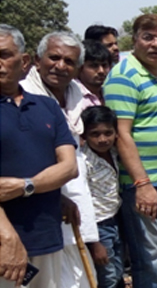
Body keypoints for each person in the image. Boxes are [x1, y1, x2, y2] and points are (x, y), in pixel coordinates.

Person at [102, 14, 157, 288]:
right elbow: (121, 134)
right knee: (148, 259)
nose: (156, 44)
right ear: (135, 39)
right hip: (144, 185)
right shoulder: (125, 76)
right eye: (148, 37)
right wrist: (142, 183)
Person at [0, 23, 80, 288]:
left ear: (24, 61)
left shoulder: (46, 106)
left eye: (4, 55)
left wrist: (26, 186)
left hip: (45, 235)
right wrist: (7, 237)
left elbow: (68, 167)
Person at [20, 31, 99, 288]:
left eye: (69, 62)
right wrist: (57, 195)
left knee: (80, 275)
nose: (60, 66)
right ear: (37, 60)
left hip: (77, 196)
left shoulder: (77, 94)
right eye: (54, 58)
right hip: (39, 203)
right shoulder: (24, 97)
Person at [80, 106, 123, 288]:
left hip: (115, 220)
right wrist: (94, 242)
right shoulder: (84, 162)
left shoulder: (115, 153)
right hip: (98, 226)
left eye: (108, 133)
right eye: (95, 134)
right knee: (107, 275)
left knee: (118, 270)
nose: (103, 139)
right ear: (84, 135)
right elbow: (82, 202)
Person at [77, 40, 113, 106]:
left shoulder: (109, 93)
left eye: (104, 65)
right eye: (94, 66)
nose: (101, 71)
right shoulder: (72, 96)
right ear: (79, 67)